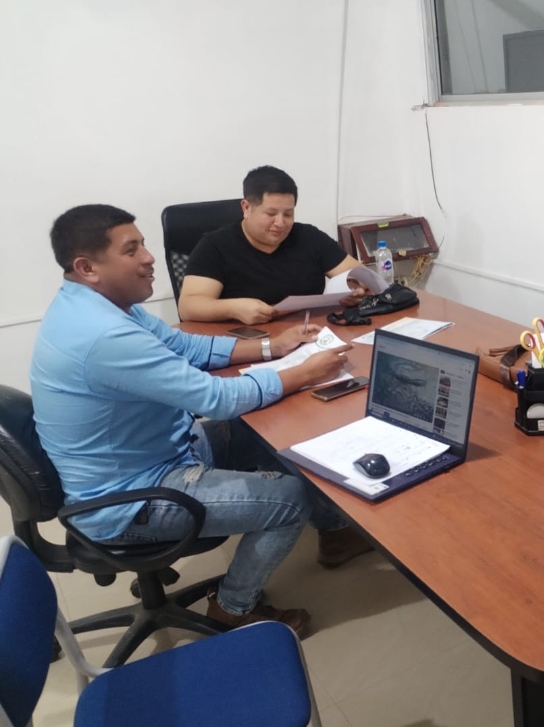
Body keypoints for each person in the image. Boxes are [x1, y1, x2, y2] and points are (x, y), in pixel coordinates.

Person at [32, 205, 361, 635]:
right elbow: (215, 398)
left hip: (157, 452)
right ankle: (233, 608)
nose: (149, 257)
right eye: (132, 250)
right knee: (290, 499)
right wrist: (302, 373)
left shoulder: (106, 307)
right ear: (87, 267)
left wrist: (273, 348)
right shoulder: (104, 335)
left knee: (268, 433)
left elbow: (186, 347)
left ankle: (334, 531)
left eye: (143, 244)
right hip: (132, 498)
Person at [177, 165, 368, 325]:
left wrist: (355, 287)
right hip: (247, 341)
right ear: (246, 207)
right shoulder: (215, 246)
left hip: (310, 333)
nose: (280, 223)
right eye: (271, 214)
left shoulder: (309, 237)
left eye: (288, 214)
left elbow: (362, 276)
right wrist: (233, 308)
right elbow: (188, 307)